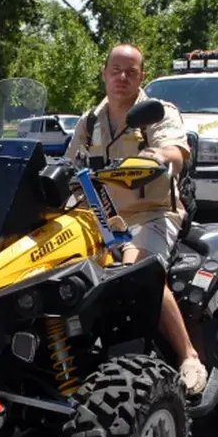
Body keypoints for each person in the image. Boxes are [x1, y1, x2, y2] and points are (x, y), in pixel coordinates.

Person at [63, 43, 207, 397]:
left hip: (152, 211)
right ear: (104, 72)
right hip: (98, 213)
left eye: (131, 71)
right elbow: (69, 165)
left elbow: (176, 151)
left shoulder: (159, 113)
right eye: (116, 69)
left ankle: (188, 357)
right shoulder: (91, 121)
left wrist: (156, 155)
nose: (122, 77)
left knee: (137, 269)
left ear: (142, 76)